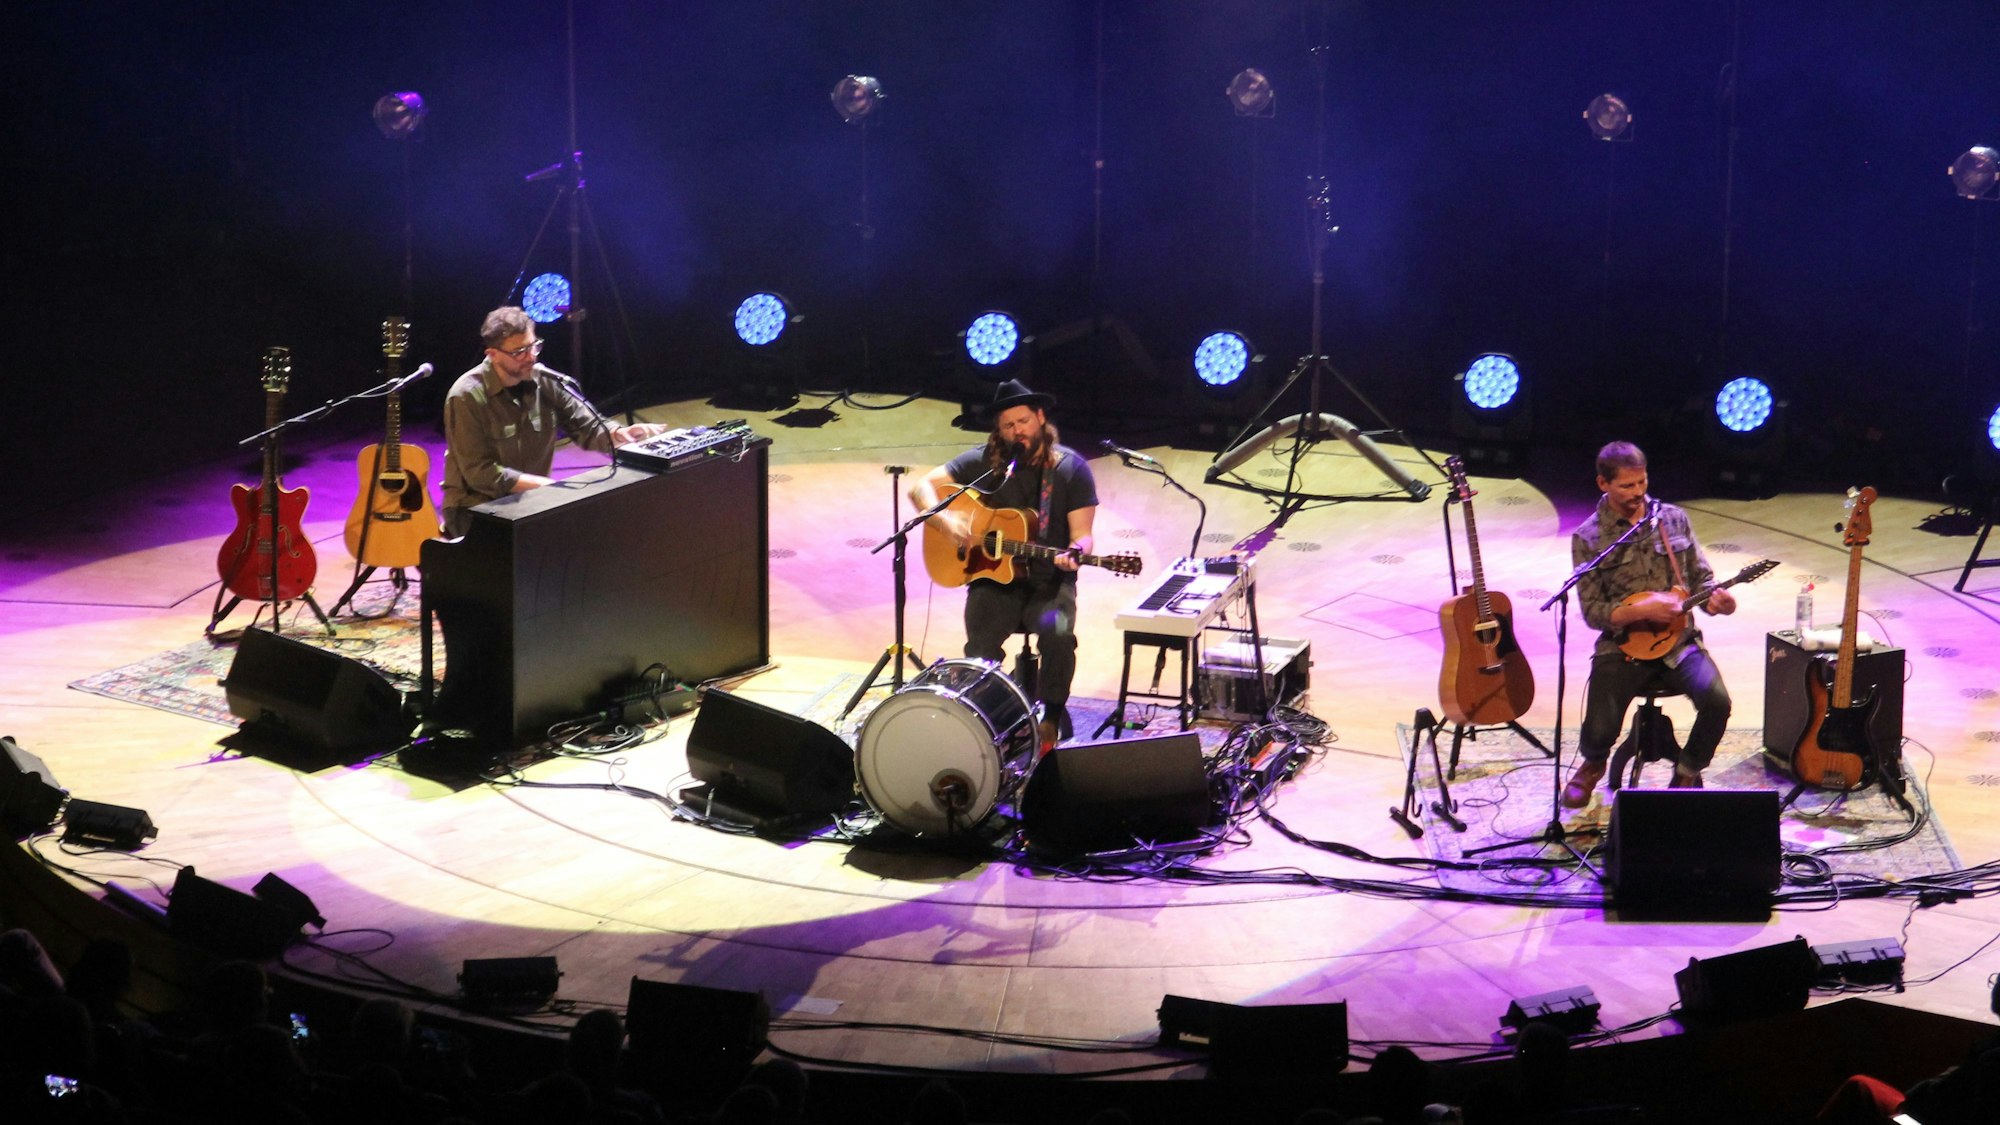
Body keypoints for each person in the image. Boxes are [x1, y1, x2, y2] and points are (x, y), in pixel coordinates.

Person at [911, 379, 1098, 751]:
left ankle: (1051, 720)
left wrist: (1075, 552)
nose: (1018, 431)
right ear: (999, 430)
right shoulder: (986, 463)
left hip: (1049, 581)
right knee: (980, 645)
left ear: (1040, 417)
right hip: (995, 580)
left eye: (1023, 421)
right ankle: (989, 719)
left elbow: (1084, 535)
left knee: (1059, 636)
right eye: (1009, 425)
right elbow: (920, 489)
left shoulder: (1070, 469)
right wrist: (947, 524)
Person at [1562, 441, 1735, 807]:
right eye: (1627, 485)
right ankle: (1593, 763)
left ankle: (1687, 770)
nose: (1638, 492)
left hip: (1678, 642)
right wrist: (1641, 611)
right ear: (1603, 483)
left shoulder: (1673, 519)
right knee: (1600, 727)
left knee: (1717, 702)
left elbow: (1701, 579)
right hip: (1621, 645)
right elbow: (1593, 611)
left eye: (1642, 482)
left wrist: (1716, 601)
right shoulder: (1588, 538)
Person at [439, 306, 670, 536]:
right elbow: (481, 473)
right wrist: (550, 488)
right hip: (476, 510)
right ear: (493, 354)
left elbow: (587, 427)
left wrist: (619, 434)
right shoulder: (466, 396)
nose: (531, 356)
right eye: (519, 352)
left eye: (534, 346)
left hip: (530, 502)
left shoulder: (545, 380)